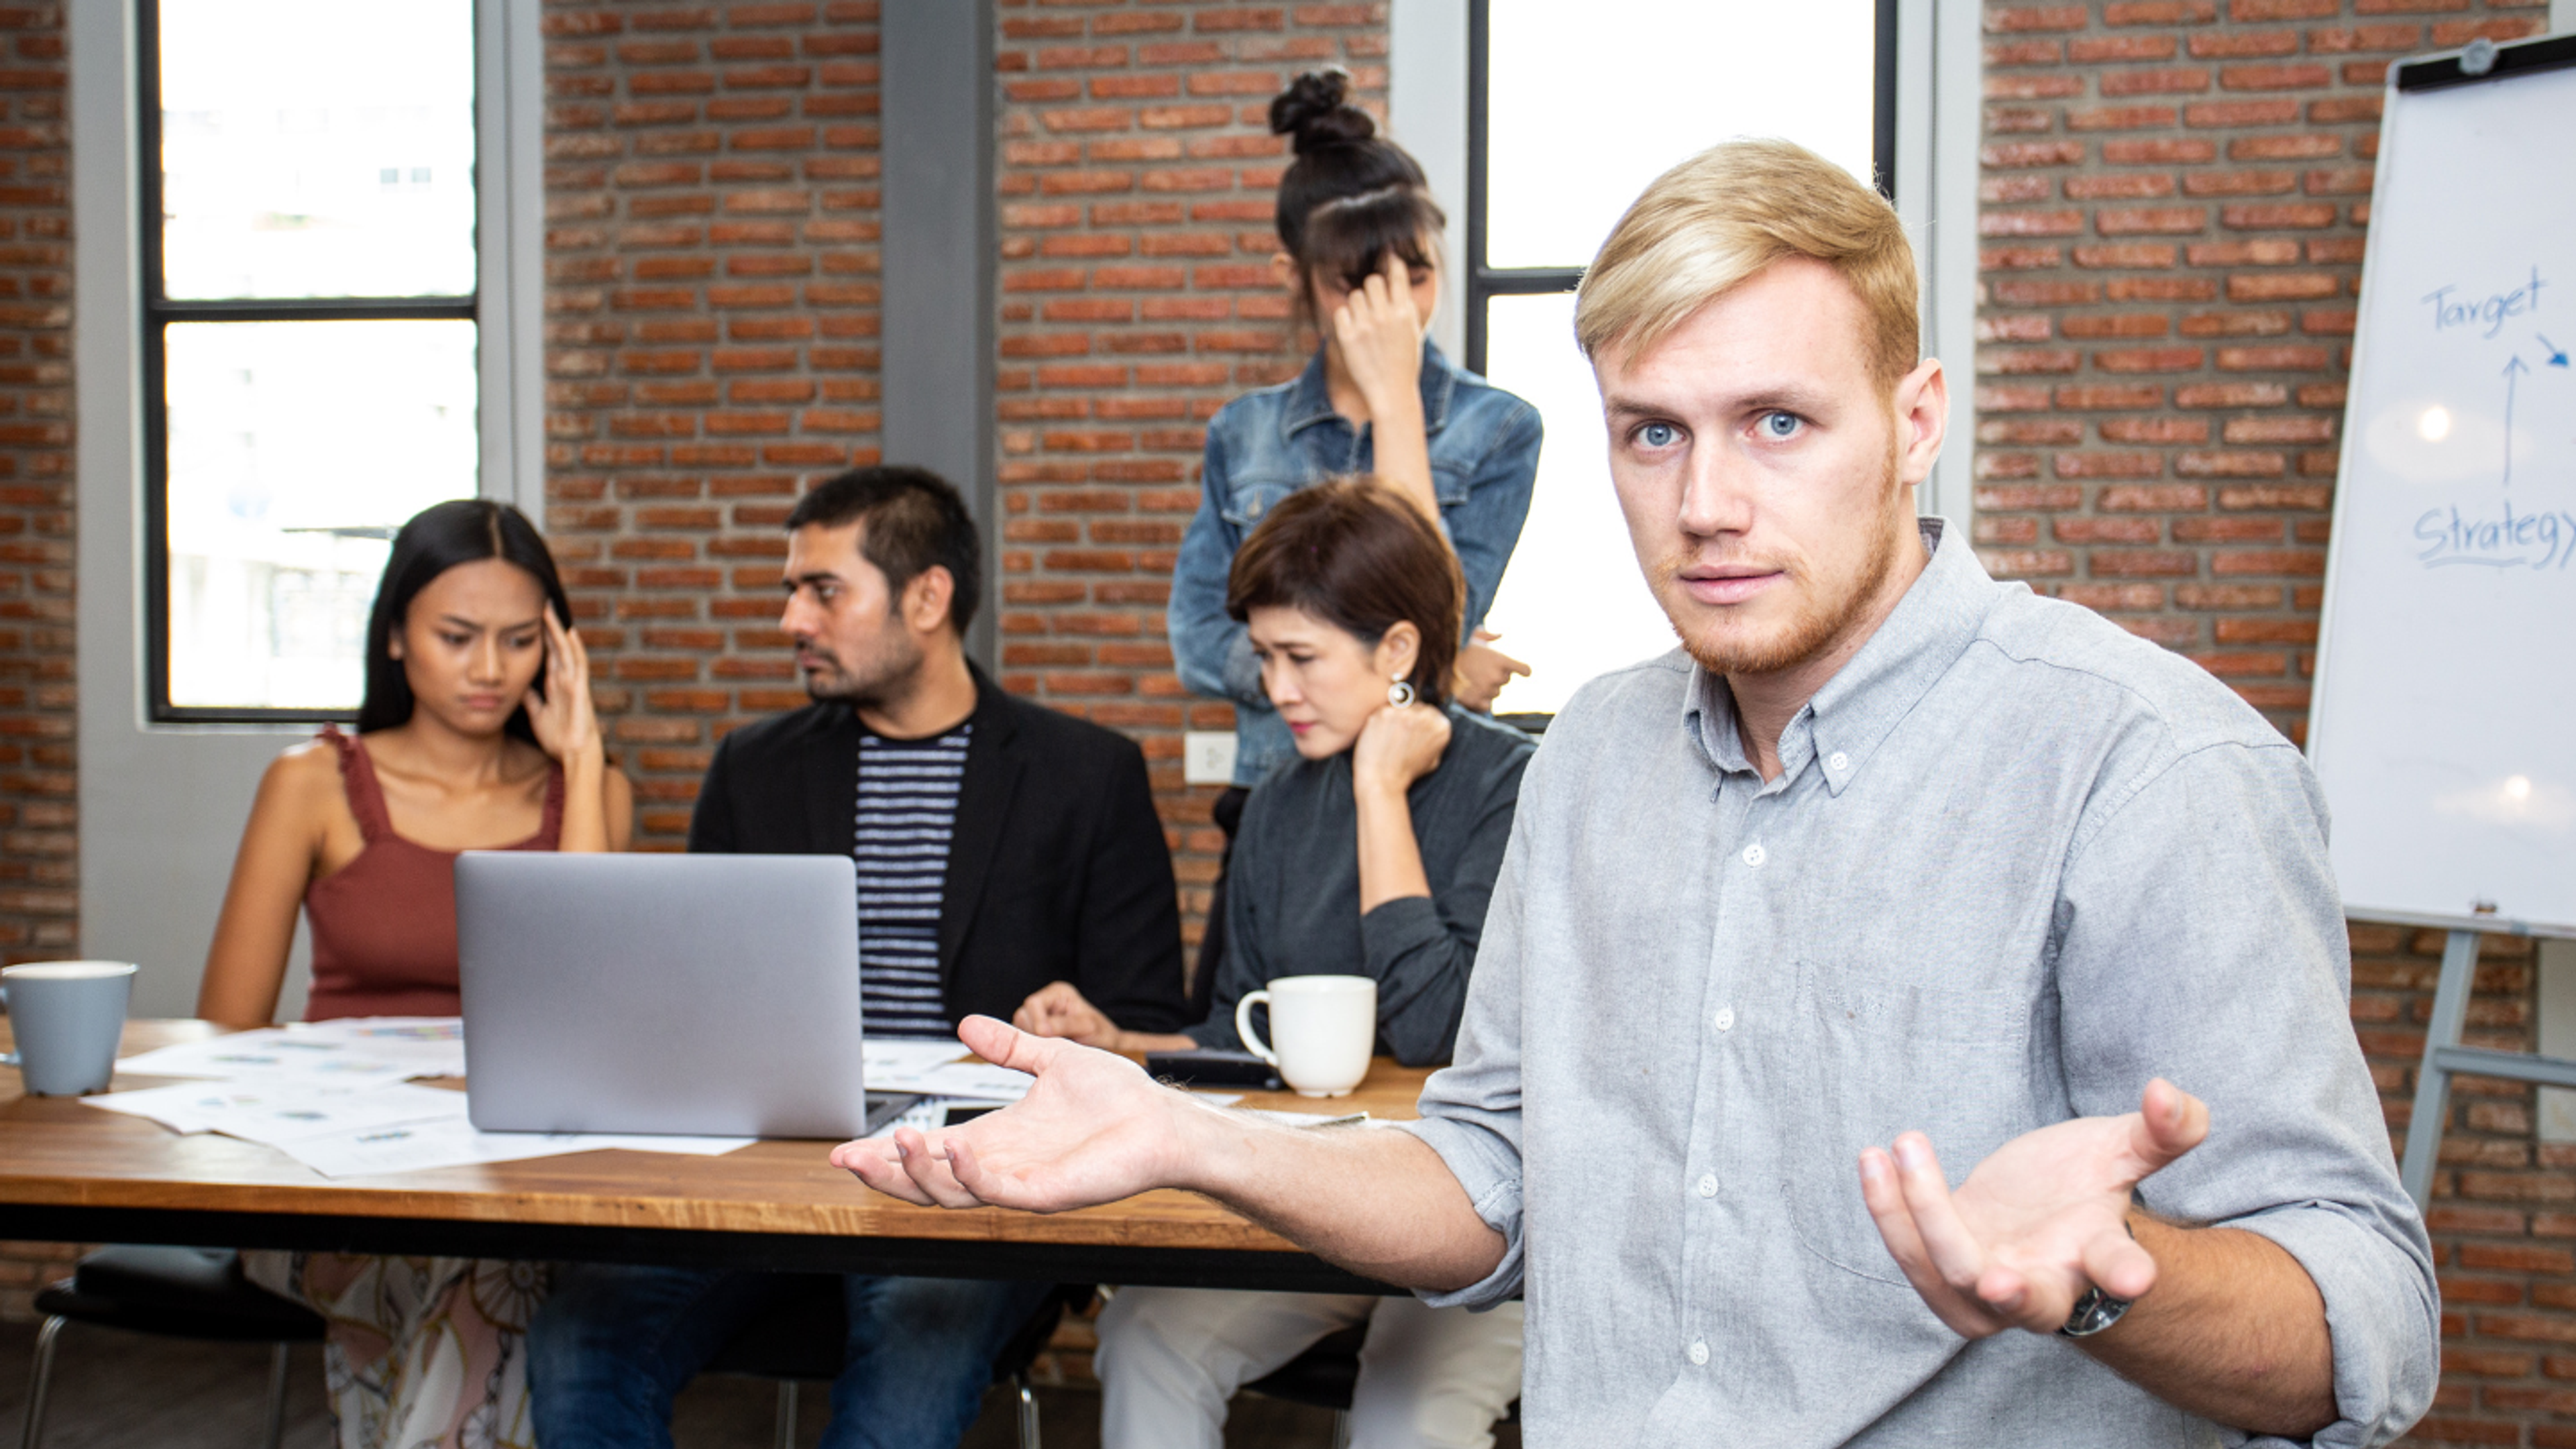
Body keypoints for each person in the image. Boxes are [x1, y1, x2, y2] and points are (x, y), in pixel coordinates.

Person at [833, 140, 2442, 1447]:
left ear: (1918, 421)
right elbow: (1492, 1181)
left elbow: (2365, 1323)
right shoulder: (1596, 754)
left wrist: (2109, 1277)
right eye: (1653, 433)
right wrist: (1188, 1137)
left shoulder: (2150, 767)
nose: (1709, 504)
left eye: (1780, 424)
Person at [527, 464, 1191, 1449]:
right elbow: (692, 1000)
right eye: (790, 590)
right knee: (581, 1335)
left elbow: (1146, 1017)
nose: (793, 618)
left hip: (972, 1179)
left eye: (823, 590)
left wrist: (1096, 1033)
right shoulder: (755, 767)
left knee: (909, 1366)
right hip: (771, 1169)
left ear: (928, 597)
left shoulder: (1086, 775)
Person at [1017, 478, 1533, 1448]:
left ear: (1398, 653)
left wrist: (1382, 793)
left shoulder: (1514, 789)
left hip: (1483, 1220)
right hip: (1323, 1201)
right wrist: (1118, 1040)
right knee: (1144, 1335)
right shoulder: (1280, 805)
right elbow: (1238, 1033)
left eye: (1301, 657)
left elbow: (1434, 1029)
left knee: (1403, 1413)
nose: (1276, 689)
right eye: (1264, 658)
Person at [201, 498, 633, 1449]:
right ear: (396, 636)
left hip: (515, 1188)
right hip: (330, 1183)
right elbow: (223, 1035)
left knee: (494, 1267)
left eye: (520, 640)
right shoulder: (310, 783)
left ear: (558, 651)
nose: (489, 669)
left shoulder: (590, 795)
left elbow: (593, 1020)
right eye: (457, 636)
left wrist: (585, 752)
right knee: (489, 1283)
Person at [1171, 66, 1543, 1006]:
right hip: (1279, 808)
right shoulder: (1243, 432)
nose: (1394, 312)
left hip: (1429, 800)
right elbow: (1200, 638)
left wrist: (1395, 408)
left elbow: (1430, 615)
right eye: (1354, 284)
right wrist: (1358, 668)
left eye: (1416, 276)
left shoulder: (1499, 428)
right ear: (1291, 277)